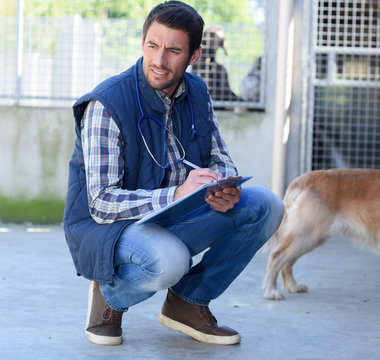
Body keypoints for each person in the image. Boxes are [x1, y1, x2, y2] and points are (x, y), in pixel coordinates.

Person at [63, 1, 283, 347]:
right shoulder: (106, 104)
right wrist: (178, 194)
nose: (159, 61)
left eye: (173, 51)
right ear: (142, 43)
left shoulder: (197, 91)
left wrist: (220, 187)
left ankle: (188, 302)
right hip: (110, 228)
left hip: (174, 213)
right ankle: (110, 294)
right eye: (153, 46)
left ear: (194, 55)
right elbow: (102, 203)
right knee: (169, 260)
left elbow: (219, 156)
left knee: (266, 205)